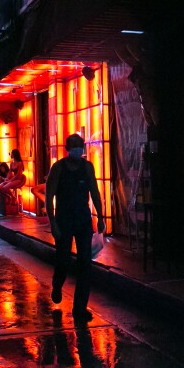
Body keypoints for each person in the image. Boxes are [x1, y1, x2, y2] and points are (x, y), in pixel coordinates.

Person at [46, 134, 104, 321]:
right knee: (62, 259)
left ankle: (80, 308)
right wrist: (53, 222)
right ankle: (57, 284)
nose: (78, 150)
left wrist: (100, 217)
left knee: (85, 263)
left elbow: (94, 192)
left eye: (80, 146)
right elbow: (49, 196)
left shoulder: (87, 167)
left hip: (83, 220)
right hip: (64, 220)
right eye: (74, 146)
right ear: (67, 149)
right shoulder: (58, 168)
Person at [0, 150, 26, 217]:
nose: (10, 155)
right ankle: (8, 196)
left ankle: (12, 197)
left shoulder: (20, 163)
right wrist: (7, 179)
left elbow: (18, 175)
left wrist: (9, 180)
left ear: (14, 154)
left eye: (11, 153)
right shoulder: (12, 163)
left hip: (19, 179)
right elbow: (10, 172)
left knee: (5, 187)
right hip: (12, 179)